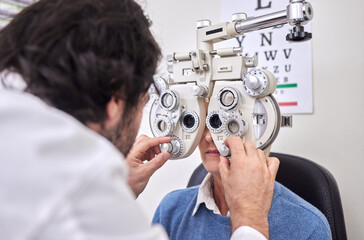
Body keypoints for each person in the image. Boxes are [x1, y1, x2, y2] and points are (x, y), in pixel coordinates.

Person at [0, 0, 279, 239]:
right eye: (143, 103)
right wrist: (250, 222)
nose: (208, 135)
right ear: (115, 100)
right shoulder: (86, 183)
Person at [152, 102, 332, 240]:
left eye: (226, 123)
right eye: (201, 123)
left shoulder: (308, 225)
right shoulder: (170, 210)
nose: (209, 136)